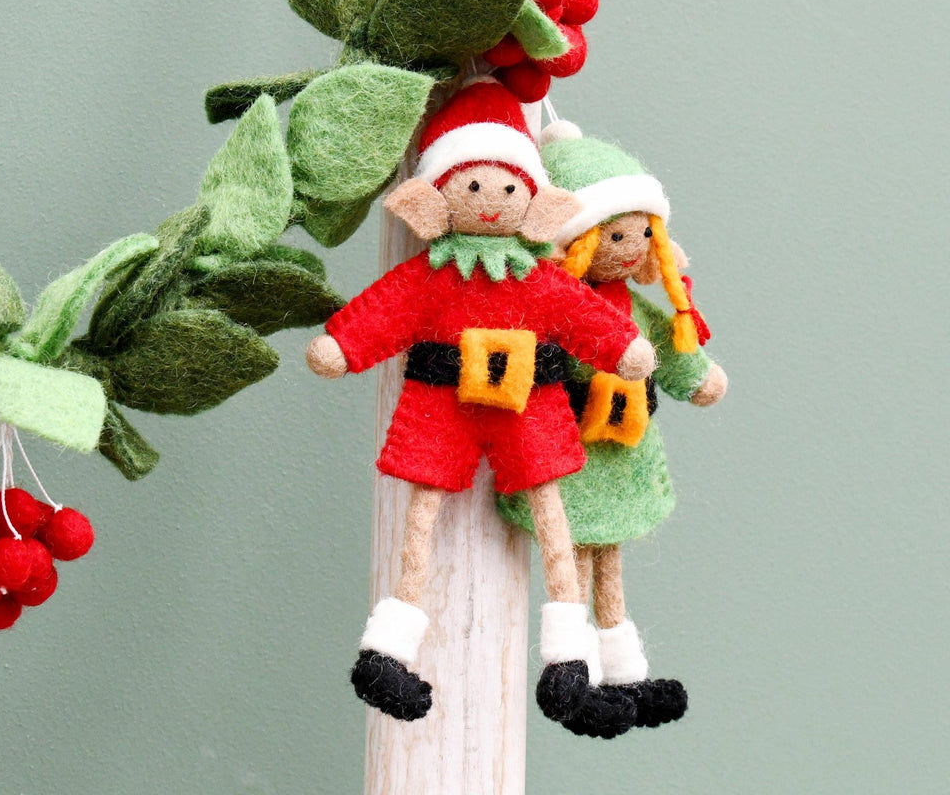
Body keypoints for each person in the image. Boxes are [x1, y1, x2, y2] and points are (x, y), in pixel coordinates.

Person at [306, 80, 655, 728]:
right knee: (423, 516)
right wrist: (342, 346)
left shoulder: (538, 279)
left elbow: (584, 318)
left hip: (530, 407)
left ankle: (566, 665)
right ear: (435, 197)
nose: (491, 203)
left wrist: (624, 348)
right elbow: (385, 312)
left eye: (507, 189)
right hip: (444, 404)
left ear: (534, 199)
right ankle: (386, 652)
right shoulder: (432, 276)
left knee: (552, 515)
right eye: (471, 187)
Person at [498, 121, 727, 738]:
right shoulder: (557, 307)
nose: (630, 248)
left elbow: (675, 354)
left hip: (623, 451)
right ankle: (568, 673)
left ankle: (624, 673)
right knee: (569, 556)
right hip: (569, 448)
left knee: (610, 559)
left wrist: (698, 378)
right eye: (615, 235)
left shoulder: (638, 310)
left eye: (642, 234)